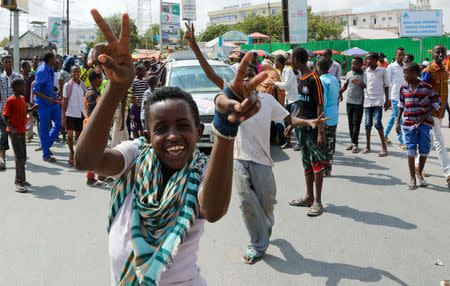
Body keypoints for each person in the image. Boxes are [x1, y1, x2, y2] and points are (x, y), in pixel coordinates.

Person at [74, 10, 267, 285]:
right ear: (147, 135)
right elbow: (85, 160)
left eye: (183, 126)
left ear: (199, 131)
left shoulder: (200, 171)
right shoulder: (135, 155)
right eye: (161, 129)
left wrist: (225, 128)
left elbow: (212, 210)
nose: (173, 136)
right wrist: (116, 87)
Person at [287, 47, 329, 217]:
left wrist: (320, 132)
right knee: (306, 163)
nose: (289, 62)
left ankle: (318, 201)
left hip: (313, 127)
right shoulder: (301, 79)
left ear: (297, 60)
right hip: (302, 128)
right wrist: (292, 124)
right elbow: (301, 104)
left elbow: (320, 105)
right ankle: (309, 197)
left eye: (290, 59)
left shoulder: (314, 79)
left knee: (317, 164)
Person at [395, 63, 441, 190]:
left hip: (424, 124)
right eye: (403, 73)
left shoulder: (426, 87)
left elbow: (437, 101)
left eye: (407, 73)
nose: (404, 75)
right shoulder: (403, 88)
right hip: (408, 124)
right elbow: (401, 106)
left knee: (424, 149)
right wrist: (397, 122)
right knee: (410, 150)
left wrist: (425, 116)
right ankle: (412, 177)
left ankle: (420, 172)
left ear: (416, 73)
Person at [419, 44, 450, 188]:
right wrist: (425, 113)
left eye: (443, 52)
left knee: (431, 140)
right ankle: (448, 173)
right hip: (431, 112)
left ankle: (418, 164)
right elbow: (423, 93)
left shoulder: (444, 70)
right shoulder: (428, 71)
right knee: (439, 141)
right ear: (433, 55)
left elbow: (445, 93)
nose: (441, 54)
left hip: (441, 111)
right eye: (438, 52)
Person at [1, 78, 38, 192]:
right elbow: (4, 117)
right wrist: (12, 129)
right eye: (23, 87)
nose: (25, 89)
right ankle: (18, 182)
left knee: (23, 156)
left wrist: (32, 109)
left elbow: (24, 111)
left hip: (22, 131)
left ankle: (22, 179)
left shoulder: (22, 98)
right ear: (16, 88)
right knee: (19, 157)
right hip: (15, 133)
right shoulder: (10, 100)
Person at [32, 52, 62, 162]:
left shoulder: (50, 68)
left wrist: (55, 94)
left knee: (59, 124)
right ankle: (46, 155)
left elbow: (48, 85)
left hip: (52, 101)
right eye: (54, 57)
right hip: (44, 104)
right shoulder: (42, 71)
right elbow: (35, 90)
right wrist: (49, 99)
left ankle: (46, 146)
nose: (56, 59)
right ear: (50, 60)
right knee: (44, 129)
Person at [362, 52, 390, 157]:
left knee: (377, 123)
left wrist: (387, 100)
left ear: (374, 60)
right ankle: (368, 146)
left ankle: (384, 146)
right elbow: (365, 85)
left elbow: (387, 86)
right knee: (367, 124)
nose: (366, 61)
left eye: (368, 59)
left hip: (378, 100)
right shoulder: (366, 71)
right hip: (368, 101)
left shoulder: (382, 71)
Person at [83, 69, 108, 186]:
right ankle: (90, 177)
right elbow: (92, 112)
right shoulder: (91, 94)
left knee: (100, 150)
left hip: (95, 124)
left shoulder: (94, 91)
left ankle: (101, 174)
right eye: (101, 78)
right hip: (92, 125)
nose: (102, 80)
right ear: (96, 80)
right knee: (94, 151)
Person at [317, 58, 340, 176]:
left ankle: (324, 167)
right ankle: (329, 168)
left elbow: (323, 101)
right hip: (334, 114)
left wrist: (322, 118)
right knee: (331, 141)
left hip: (325, 115)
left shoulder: (321, 80)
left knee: (323, 142)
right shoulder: (334, 79)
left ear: (318, 67)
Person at [0, 55, 23, 170]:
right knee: (3, 136)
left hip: (16, 114)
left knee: (17, 138)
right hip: (3, 113)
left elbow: (23, 95)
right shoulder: (0, 78)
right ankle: (2, 159)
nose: (8, 64)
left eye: (10, 62)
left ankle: (18, 159)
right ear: (2, 64)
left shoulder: (18, 77)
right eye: (6, 62)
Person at [273, 54, 300, 150]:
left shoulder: (288, 71)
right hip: (287, 100)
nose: (274, 64)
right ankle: (288, 142)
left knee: (294, 122)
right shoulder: (280, 72)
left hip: (294, 99)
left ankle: (299, 143)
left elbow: (286, 85)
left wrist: (275, 84)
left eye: (275, 62)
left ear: (280, 62)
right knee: (286, 121)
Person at [339, 56, 366, 153]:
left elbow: (366, 86)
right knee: (350, 123)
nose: (352, 65)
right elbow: (345, 86)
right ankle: (352, 142)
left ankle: (355, 144)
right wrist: (339, 93)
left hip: (359, 102)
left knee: (356, 123)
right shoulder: (349, 73)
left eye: (355, 64)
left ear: (360, 65)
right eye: (352, 64)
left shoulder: (364, 74)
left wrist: (359, 83)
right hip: (349, 101)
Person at [62, 65, 86, 166]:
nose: (76, 73)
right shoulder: (67, 85)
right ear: (71, 73)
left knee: (80, 138)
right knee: (70, 137)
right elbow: (64, 101)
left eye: (78, 71)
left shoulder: (83, 85)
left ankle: (78, 154)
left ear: (80, 73)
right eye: (74, 71)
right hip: (71, 114)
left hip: (81, 114)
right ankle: (72, 153)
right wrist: (63, 116)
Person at [384, 47, 406, 150]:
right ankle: (400, 142)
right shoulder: (391, 67)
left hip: (404, 96)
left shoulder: (406, 67)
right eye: (399, 54)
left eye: (403, 54)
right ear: (396, 55)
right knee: (399, 119)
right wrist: (387, 99)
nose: (401, 56)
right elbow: (387, 83)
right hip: (394, 96)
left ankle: (384, 135)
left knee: (394, 117)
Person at [130, 64, 148, 138]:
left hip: (143, 107)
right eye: (143, 71)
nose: (144, 73)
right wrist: (134, 103)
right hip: (135, 107)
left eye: (144, 71)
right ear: (138, 71)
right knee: (135, 126)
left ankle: (142, 140)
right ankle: (136, 141)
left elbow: (147, 91)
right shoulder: (133, 81)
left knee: (142, 126)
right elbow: (130, 94)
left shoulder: (145, 81)